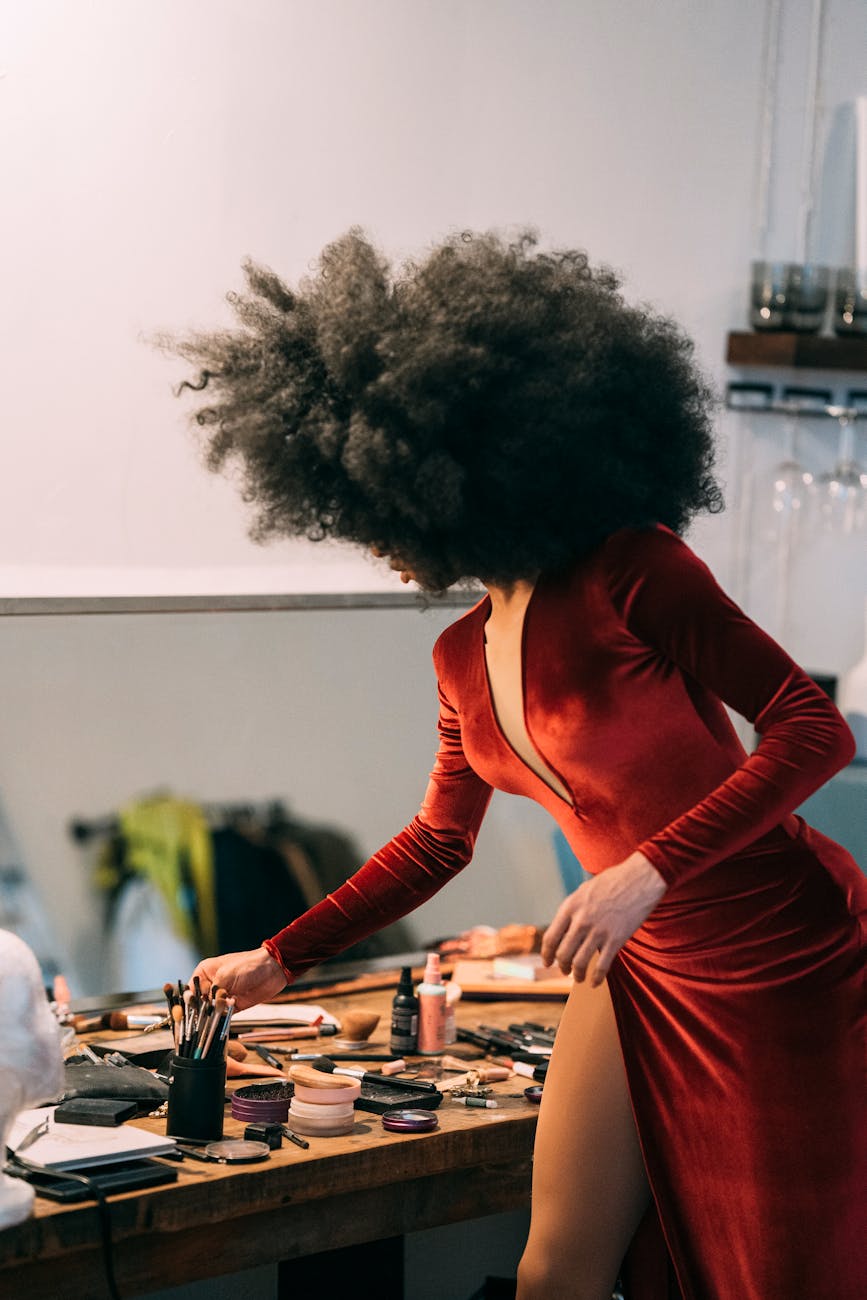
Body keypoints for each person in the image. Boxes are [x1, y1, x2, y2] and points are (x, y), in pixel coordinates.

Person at [170, 229, 866, 1300]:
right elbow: (439, 838)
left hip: (787, 959)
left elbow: (817, 729)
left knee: (774, 1274)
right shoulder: (457, 655)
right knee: (555, 1275)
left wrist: (645, 871)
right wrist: (280, 956)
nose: (374, 534)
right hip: (638, 969)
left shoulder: (636, 570)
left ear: (459, 470)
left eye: (384, 503)